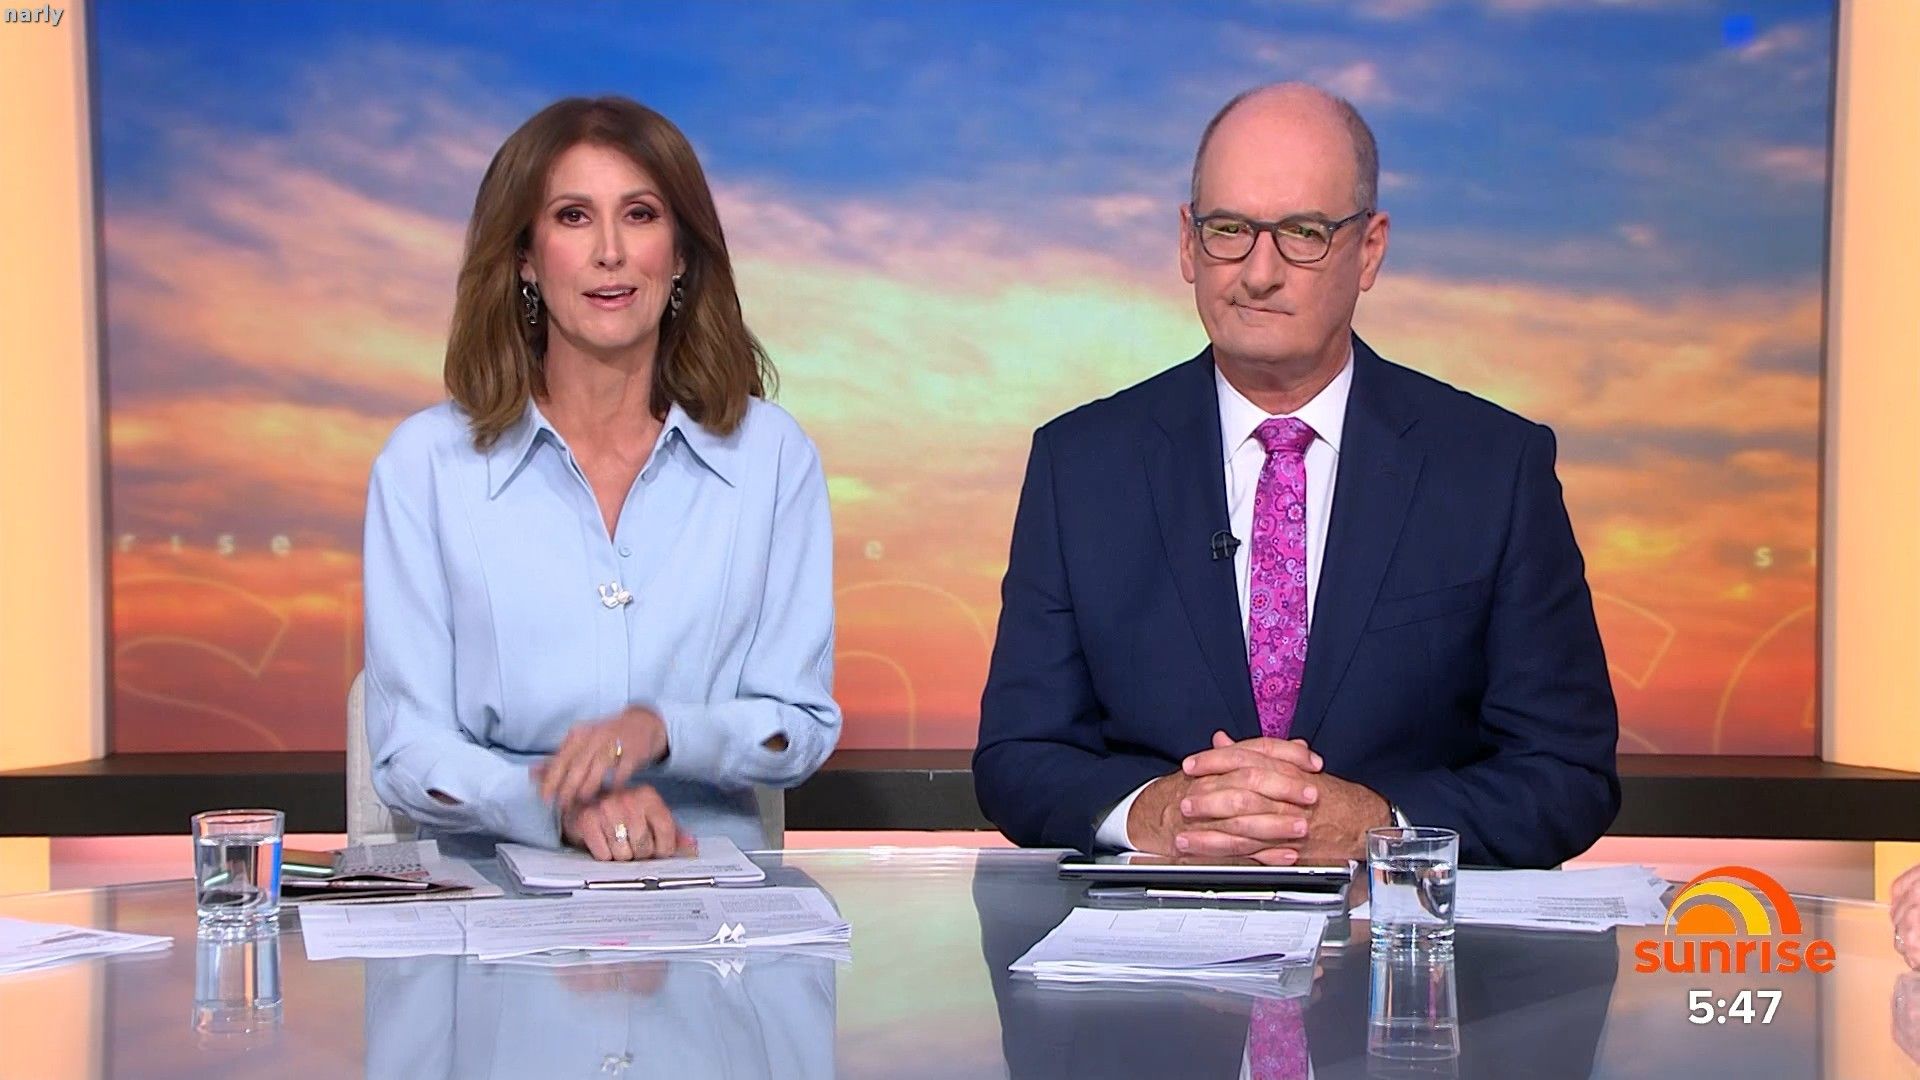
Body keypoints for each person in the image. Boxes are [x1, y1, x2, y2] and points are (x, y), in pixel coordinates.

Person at [974, 82, 1619, 869]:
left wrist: (1382, 827)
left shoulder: (1493, 468)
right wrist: (1157, 813)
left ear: (1370, 249)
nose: (1259, 272)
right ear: (1187, 243)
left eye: (1303, 234)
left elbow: (1567, 773)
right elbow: (1018, 758)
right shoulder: (1079, 465)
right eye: (1228, 230)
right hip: (1151, 935)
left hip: (1397, 936)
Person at [362, 96, 839, 861]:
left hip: (709, 891)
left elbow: (800, 724)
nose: (610, 251)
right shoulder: (424, 465)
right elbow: (408, 751)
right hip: (492, 893)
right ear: (525, 255)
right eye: (574, 217)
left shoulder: (771, 456)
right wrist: (550, 804)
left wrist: (663, 730)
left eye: (640, 215)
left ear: (680, 254)